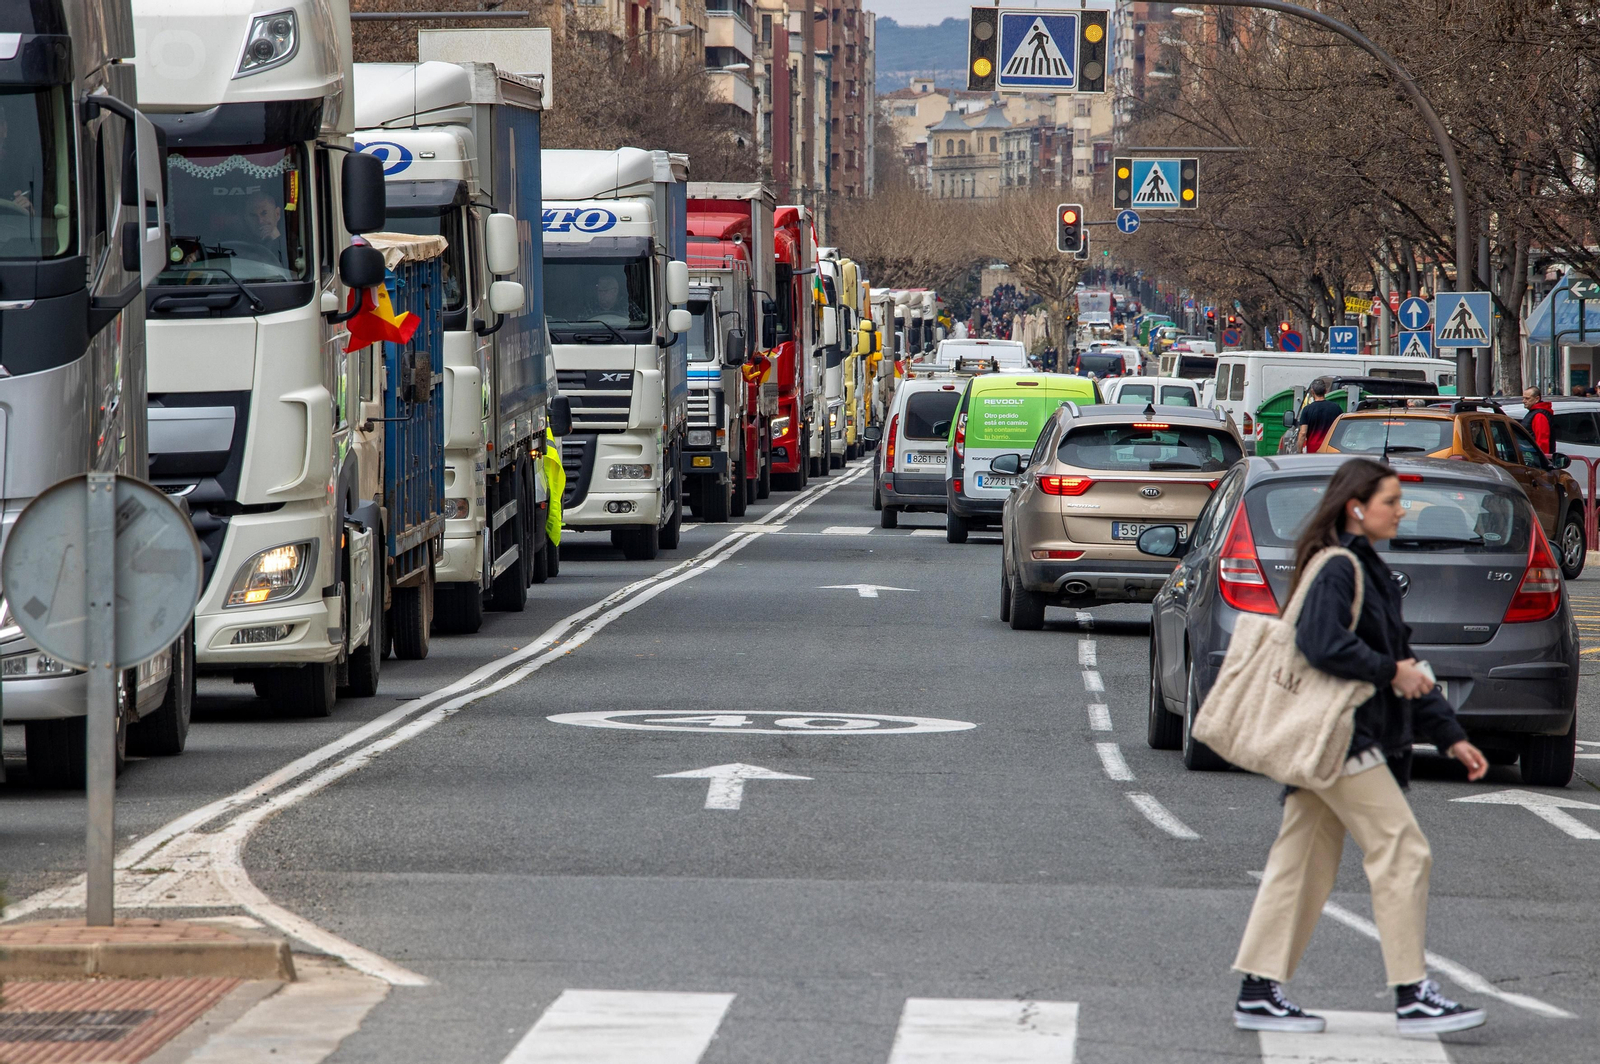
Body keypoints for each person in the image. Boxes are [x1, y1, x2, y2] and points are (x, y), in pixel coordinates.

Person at [1231, 458, 1489, 1037]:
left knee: (1302, 866)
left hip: (1331, 739)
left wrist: (1449, 735)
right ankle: (1413, 994)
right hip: (1344, 737)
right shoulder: (1339, 568)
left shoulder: (1365, 568)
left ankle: (1258, 990)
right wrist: (1391, 672)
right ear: (1356, 507)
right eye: (1390, 501)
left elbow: (1402, 663)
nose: (1401, 511)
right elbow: (1322, 643)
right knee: (1403, 850)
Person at [1295, 379, 1342, 453]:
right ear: (1325, 391)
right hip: (1331, 449)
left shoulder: (1307, 410)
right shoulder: (1336, 408)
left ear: (1312, 392)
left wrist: (1299, 451)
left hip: (1313, 451)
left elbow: (1303, 433)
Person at [1522, 387, 1555, 454]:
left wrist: (1540, 458)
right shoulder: (1534, 413)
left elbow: (1542, 442)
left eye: (1527, 398)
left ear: (1537, 399)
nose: (1523, 401)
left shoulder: (1539, 415)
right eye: (1523, 398)